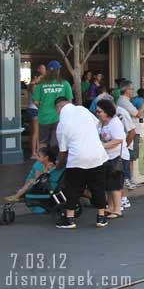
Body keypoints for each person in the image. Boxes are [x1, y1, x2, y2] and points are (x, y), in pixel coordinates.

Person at [54, 97, 108, 229]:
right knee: (98, 187)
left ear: (59, 108)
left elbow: (63, 151)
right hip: (97, 155)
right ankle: (101, 217)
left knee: (73, 188)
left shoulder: (62, 124)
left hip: (77, 159)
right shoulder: (83, 110)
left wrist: (59, 164)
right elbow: (97, 124)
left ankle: (70, 219)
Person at [95, 99, 130, 219]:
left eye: (100, 111)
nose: (98, 113)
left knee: (115, 184)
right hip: (106, 156)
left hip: (117, 156)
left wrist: (102, 146)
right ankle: (110, 206)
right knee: (108, 184)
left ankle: (117, 209)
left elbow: (118, 139)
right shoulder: (100, 123)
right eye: (97, 111)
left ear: (106, 111)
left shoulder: (114, 122)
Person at [32, 60, 74, 149]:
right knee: (58, 142)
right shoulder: (65, 84)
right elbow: (69, 102)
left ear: (47, 71)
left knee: (43, 142)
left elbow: (35, 101)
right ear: (58, 70)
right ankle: (56, 161)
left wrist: (43, 107)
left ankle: (44, 161)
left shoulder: (40, 84)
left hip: (44, 117)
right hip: (60, 117)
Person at [117, 80, 144, 189]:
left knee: (131, 157)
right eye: (131, 89)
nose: (132, 91)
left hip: (132, 130)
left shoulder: (125, 101)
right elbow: (139, 114)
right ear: (127, 90)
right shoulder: (124, 102)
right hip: (131, 131)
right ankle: (128, 180)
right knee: (129, 157)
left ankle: (130, 179)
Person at [26, 71, 42, 160]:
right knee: (36, 132)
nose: (40, 80)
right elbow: (36, 99)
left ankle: (34, 150)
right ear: (35, 77)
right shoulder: (33, 86)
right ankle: (34, 152)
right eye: (39, 78)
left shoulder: (30, 85)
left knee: (33, 132)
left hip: (30, 109)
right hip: (34, 110)